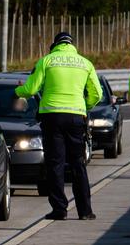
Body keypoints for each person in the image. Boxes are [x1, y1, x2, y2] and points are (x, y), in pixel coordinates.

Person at [15, 32, 102, 221]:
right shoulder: (85, 63)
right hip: (76, 117)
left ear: (54, 45)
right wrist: (84, 106)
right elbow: (97, 93)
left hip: (52, 118)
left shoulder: (46, 61)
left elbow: (30, 89)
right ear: (72, 45)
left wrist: (17, 91)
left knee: (56, 164)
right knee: (78, 163)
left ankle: (60, 209)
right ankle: (85, 211)